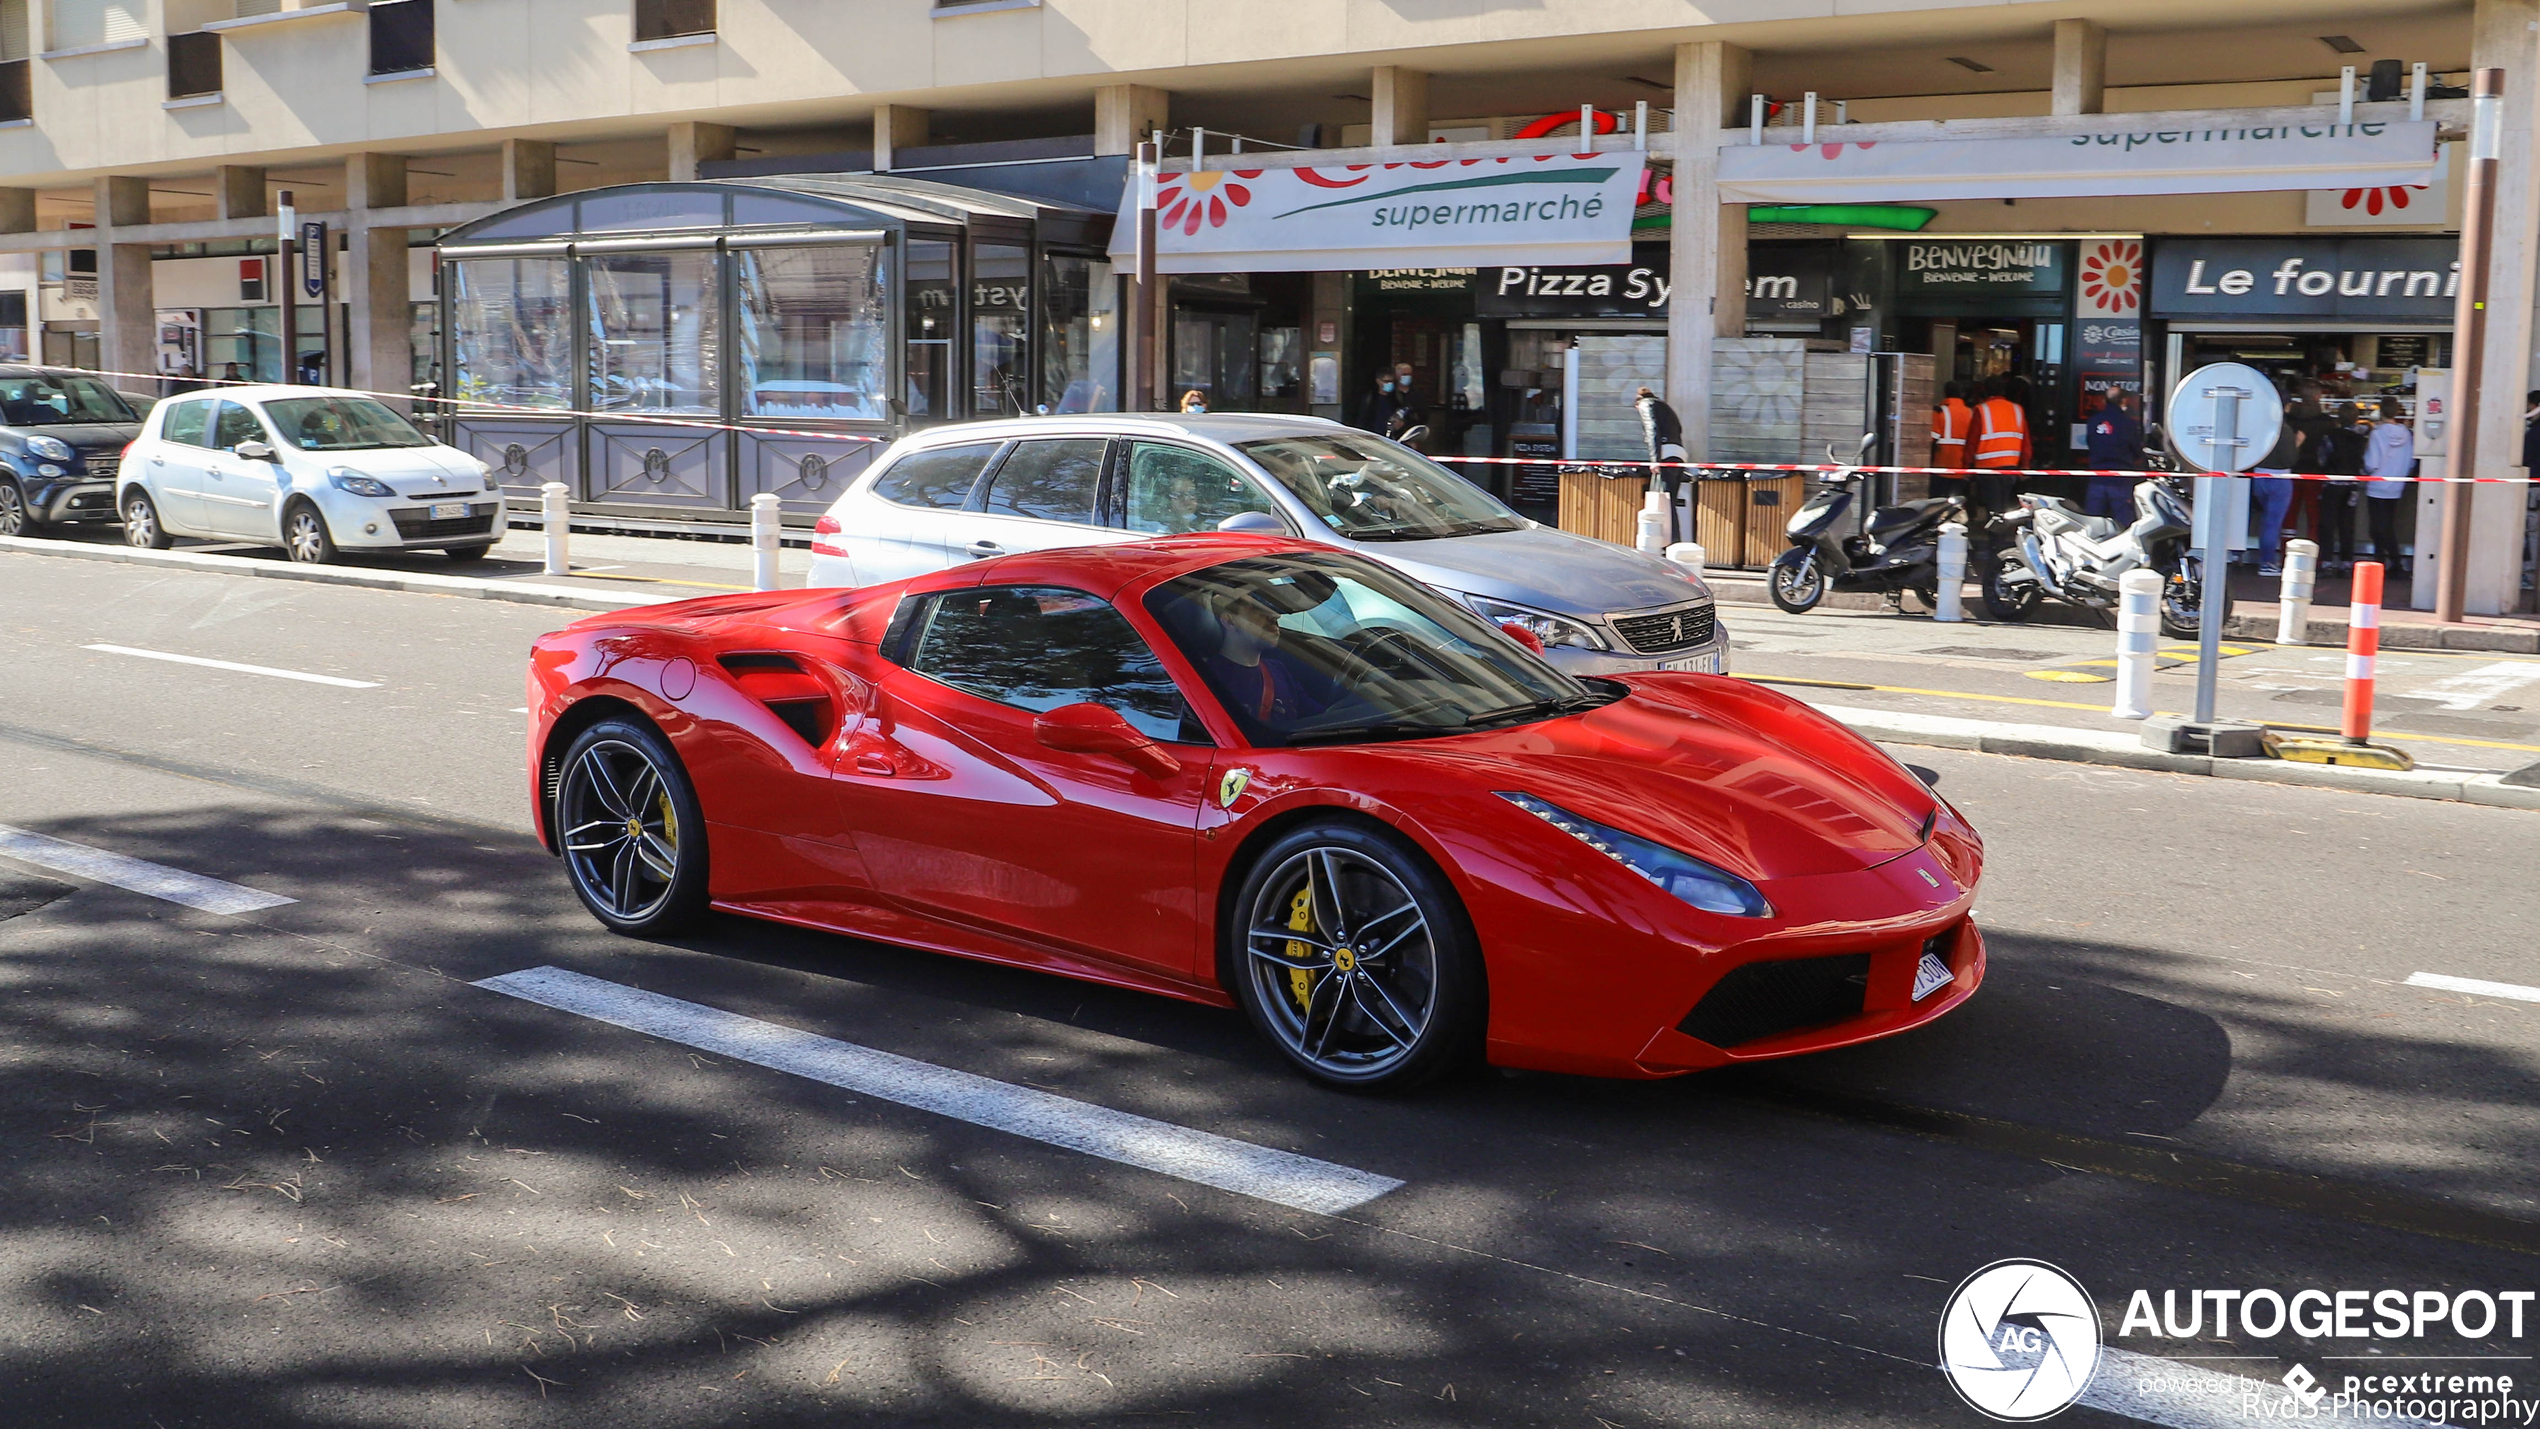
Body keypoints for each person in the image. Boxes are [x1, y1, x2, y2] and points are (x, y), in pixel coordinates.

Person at [2314, 403, 2370, 570]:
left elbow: (2322, 459)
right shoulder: (2362, 438)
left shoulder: (2330, 436)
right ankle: (2346, 562)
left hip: (2332, 483)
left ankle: (2327, 561)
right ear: (2356, 418)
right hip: (2352, 485)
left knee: (2327, 523)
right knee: (2347, 524)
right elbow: (2364, 463)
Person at [2364, 397, 2416, 564]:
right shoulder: (2407, 434)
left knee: (2376, 528)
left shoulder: (2377, 434)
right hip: (2396, 486)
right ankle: (2394, 562)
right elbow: (2411, 462)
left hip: (2377, 486)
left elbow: (2371, 463)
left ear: (2380, 411)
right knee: (2388, 526)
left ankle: (2382, 561)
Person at [1970, 375, 2030, 515]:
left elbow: (1972, 441)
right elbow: (2026, 441)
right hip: (2010, 466)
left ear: (1985, 391)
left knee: (1993, 508)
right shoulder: (2017, 409)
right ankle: (2002, 533)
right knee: (2005, 505)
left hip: (1987, 468)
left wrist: (1967, 466)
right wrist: (2025, 465)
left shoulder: (1981, 410)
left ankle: (1996, 535)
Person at [2082, 390, 2145, 521]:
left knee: (2093, 523)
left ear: (2104, 401)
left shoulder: (2093, 421)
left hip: (2097, 478)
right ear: (2124, 401)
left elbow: (2090, 444)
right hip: (2120, 480)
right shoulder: (2127, 423)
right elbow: (2136, 451)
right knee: (2124, 524)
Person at [1930, 380, 1973, 499]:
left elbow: (1932, 437)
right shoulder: (1970, 412)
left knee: (1938, 501)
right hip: (1962, 466)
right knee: (1958, 501)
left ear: (1945, 393)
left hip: (1942, 465)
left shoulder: (1940, 411)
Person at [1357, 371, 1404, 437]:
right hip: (1373, 436)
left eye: (1392, 381)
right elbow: (1362, 419)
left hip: (1392, 437)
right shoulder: (1371, 399)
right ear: (1378, 381)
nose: (1390, 384)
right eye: (1386, 381)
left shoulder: (1397, 399)